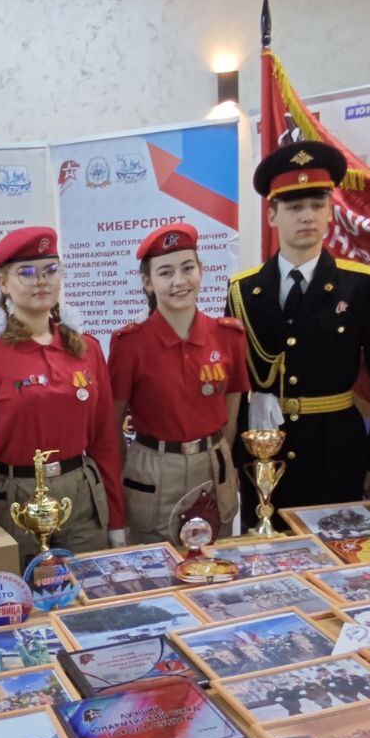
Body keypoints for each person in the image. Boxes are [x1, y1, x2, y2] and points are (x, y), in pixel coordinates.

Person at [227, 140, 370, 528]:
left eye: (317, 205)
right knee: (267, 548)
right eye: (294, 207)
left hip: (336, 450)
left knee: (338, 546)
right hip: (265, 451)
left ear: (330, 212)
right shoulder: (243, 290)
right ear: (272, 215)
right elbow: (236, 386)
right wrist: (234, 456)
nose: (307, 216)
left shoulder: (358, 285)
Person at [0, 226, 126, 563]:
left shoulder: (87, 349)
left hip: (81, 497)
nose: (41, 281)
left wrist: (117, 520)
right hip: (14, 503)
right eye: (27, 272)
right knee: (20, 592)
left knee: (88, 588)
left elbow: (105, 441)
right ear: (3, 283)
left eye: (50, 270)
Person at [110, 223, 249, 542]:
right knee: (154, 562)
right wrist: (121, 474)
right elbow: (112, 421)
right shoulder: (130, 345)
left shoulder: (228, 335)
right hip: (153, 470)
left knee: (217, 559)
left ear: (201, 270)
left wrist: (220, 454)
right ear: (148, 282)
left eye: (188, 268)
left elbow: (232, 403)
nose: (179, 281)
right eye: (165, 272)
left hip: (212, 466)